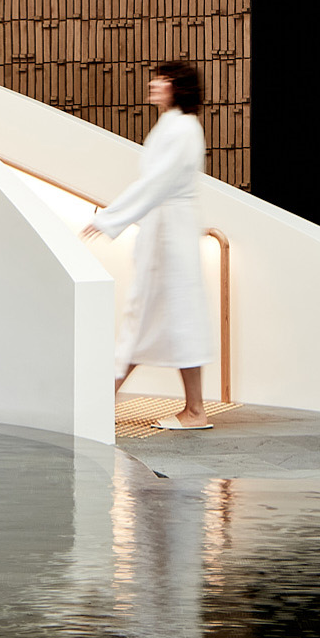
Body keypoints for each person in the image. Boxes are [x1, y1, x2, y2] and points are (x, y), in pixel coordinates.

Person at [82, 60, 213, 430]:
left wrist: (109, 218)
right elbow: (156, 183)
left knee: (143, 316)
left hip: (169, 234)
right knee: (170, 317)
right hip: (168, 230)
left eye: (163, 79)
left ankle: (96, 404)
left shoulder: (182, 129)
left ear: (178, 87)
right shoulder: (176, 125)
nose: (154, 84)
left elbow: (157, 183)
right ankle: (194, 409)